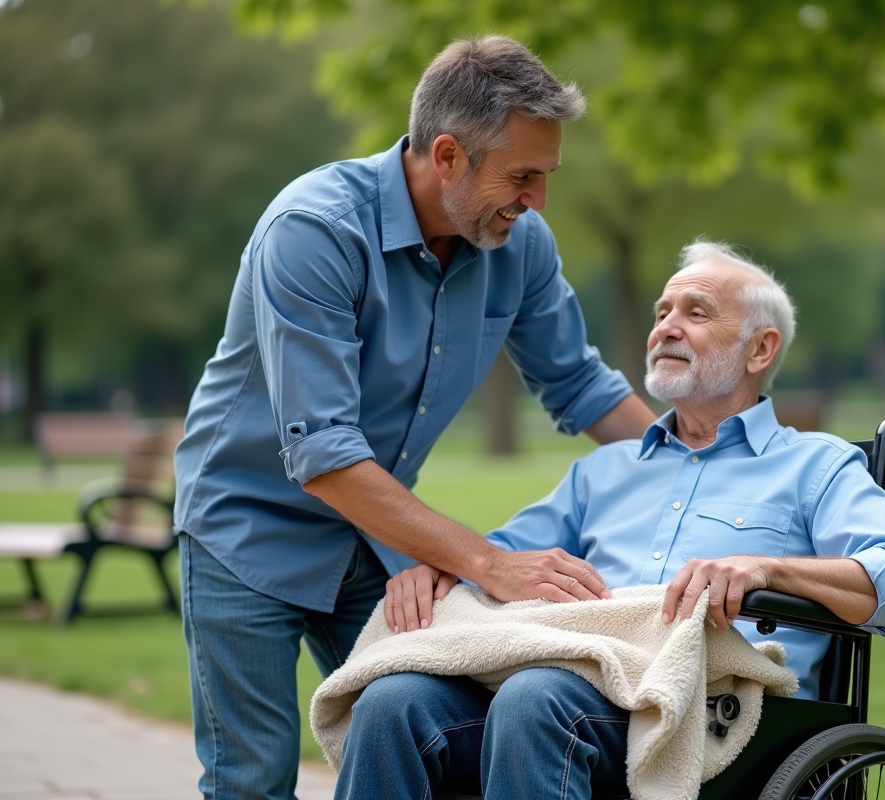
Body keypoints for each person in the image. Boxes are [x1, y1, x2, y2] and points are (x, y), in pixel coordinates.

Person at [172, 36, 657, 800]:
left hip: (377, 540)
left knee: (425, 736)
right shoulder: (316, 231)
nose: (537, 201)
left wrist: (708, 454)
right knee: (251, 782)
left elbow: (579, 384)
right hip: (246, 532)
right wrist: (488, 563)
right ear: (447, 155)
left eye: (546, 176)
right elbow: (325, 454)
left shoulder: (518, 243)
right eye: (522, 176)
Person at [335, 240, 885, 800]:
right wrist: (438, 571)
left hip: (719, 708)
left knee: (537, 696)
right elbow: (497, 560)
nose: (666, 328)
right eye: (660, 312)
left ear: (761, 348)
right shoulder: (603, 472)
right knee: (395, 702)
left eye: (696, 313)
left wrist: (768, 569)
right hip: (583, 683)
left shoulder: (816, 464)